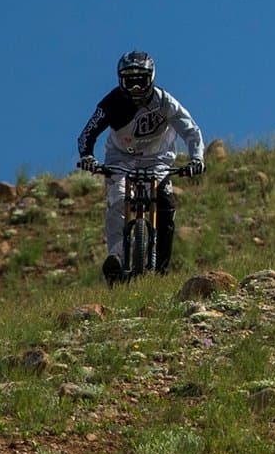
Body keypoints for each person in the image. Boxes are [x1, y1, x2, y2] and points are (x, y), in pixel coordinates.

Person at [76, 51, 205, 284]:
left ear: (151, 78)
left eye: (141, 81)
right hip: (120, 159)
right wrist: (87, 157)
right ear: (120, 80)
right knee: (117, 200)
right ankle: (116, 257)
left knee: (166, 207)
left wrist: (197, 158)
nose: (135, 88)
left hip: (158, 159)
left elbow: (190, 129)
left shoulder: (164, 101)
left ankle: (160, 272)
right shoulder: (110, 103)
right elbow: (87, 134)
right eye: (130, 81)